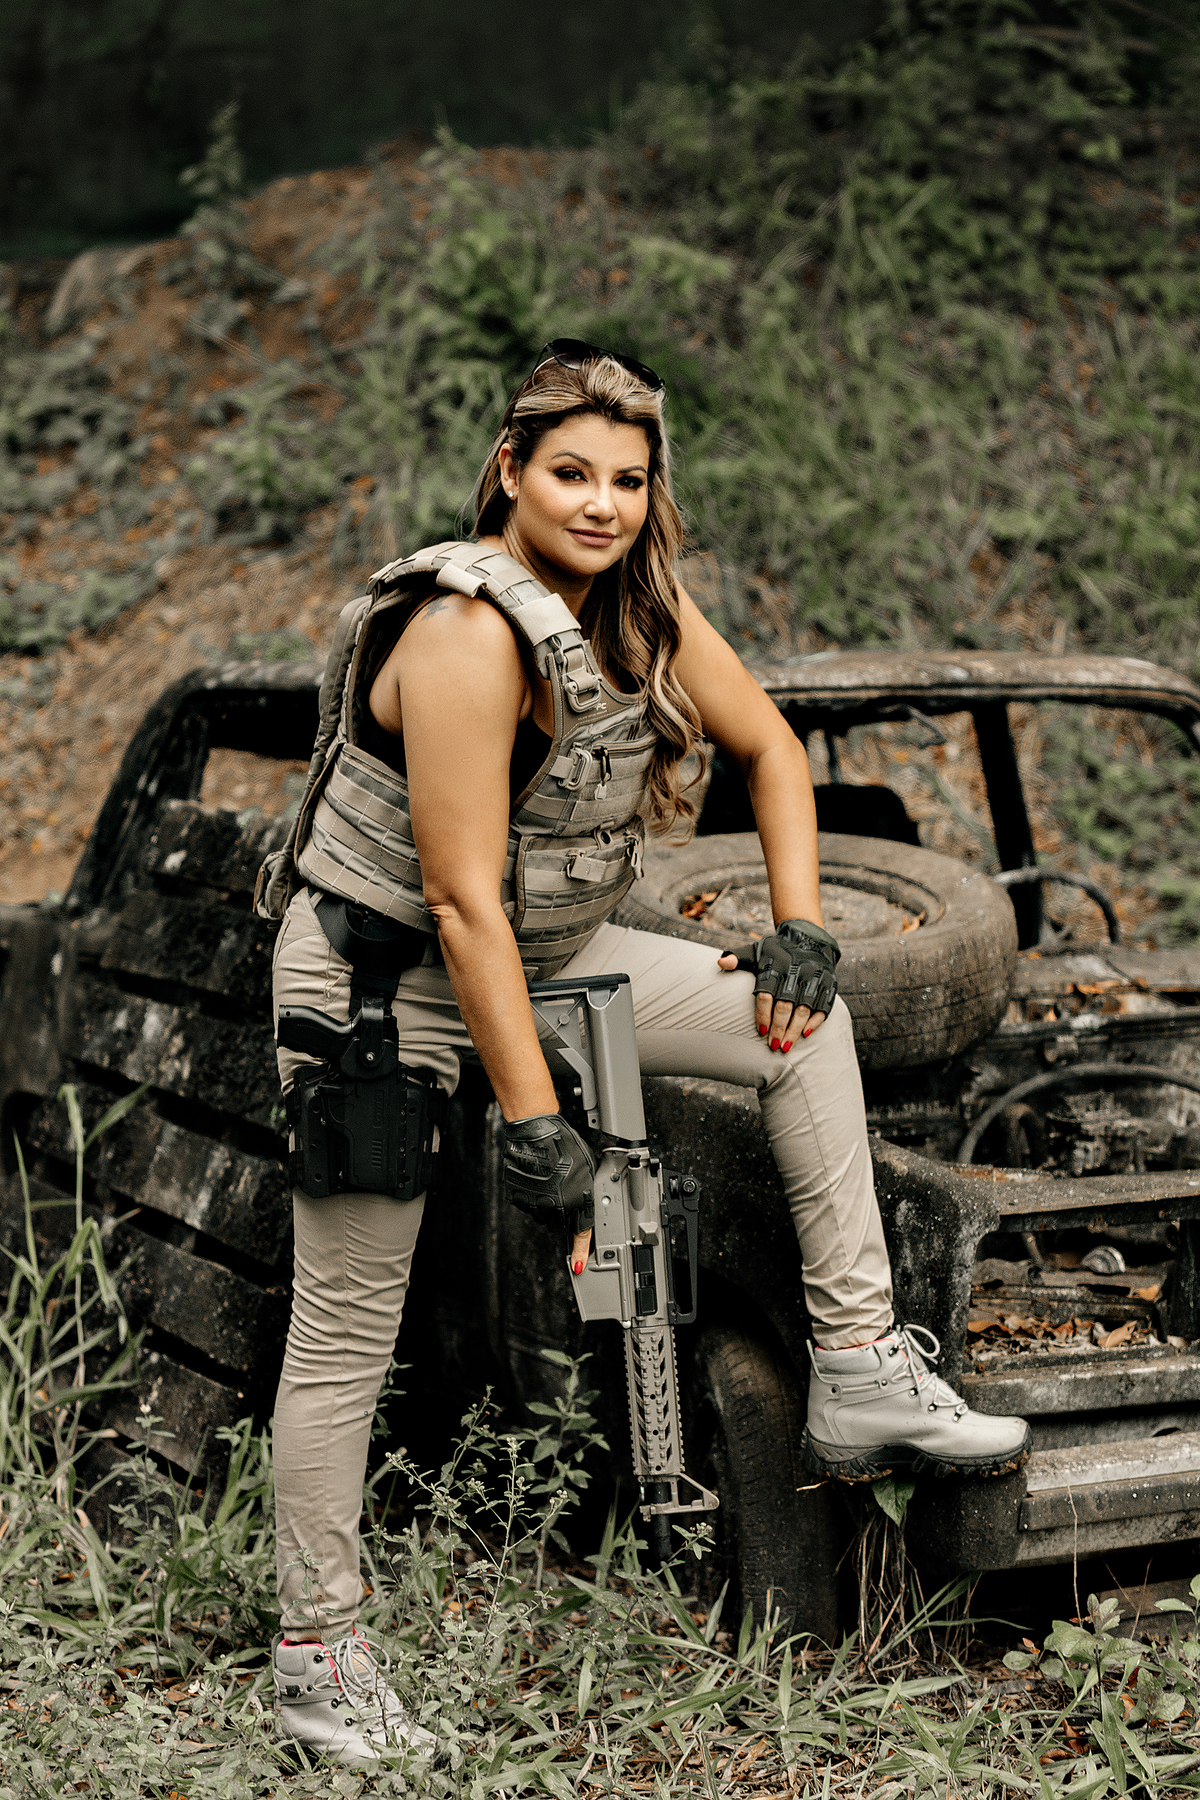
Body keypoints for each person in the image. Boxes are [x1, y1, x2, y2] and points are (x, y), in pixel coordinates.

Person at [263, 340, 1030, 1767]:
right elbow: (458, 900)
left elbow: (774, 750)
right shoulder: (464, 631)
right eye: (571, 472)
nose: (602, 503)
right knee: (345, 1333)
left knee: (799, 1024)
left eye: (627, 478)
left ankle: (861, 1361)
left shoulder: (639, 612)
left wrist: (801, 928)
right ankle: (319, 1656)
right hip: (382, 985)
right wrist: (535, 1117)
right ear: (510, 470)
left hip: (544, 953)